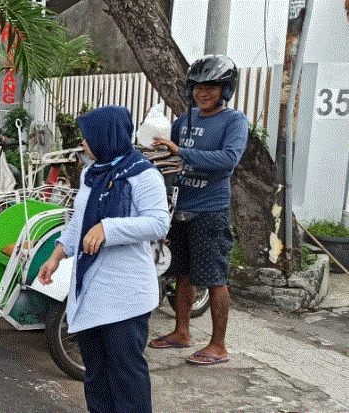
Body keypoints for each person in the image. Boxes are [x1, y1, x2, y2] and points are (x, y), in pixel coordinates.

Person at [38, 106, 169, 413]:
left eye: (88, 137)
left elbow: (158, 223)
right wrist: (56, 255)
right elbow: (79, 222)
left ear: (106, 136)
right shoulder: (91, 173)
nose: (83, 143)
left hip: (125, 294)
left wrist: (109, 228)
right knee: (95, 372)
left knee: (125, 372)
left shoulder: (143, 175)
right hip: (92, 290)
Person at [149, 55, 248, 366]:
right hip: (180, 208)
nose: (202, 93)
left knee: (215, 278)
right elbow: (170, 155)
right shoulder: (185, 119)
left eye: (211, 87)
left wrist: (182, 152)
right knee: (182, 274)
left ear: (225, 90)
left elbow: (228, 160)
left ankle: (218, 346)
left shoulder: (233, 121)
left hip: (210, 211)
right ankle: (182, 332)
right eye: (197, 87)